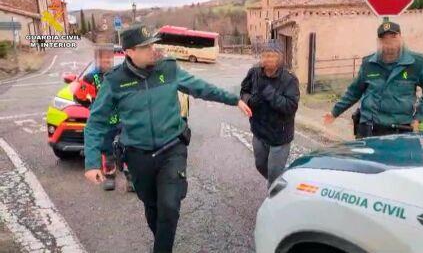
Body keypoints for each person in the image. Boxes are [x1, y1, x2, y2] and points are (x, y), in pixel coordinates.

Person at [83, 24, 252, 253]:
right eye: (146, 47)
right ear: (129, 52)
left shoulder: (168, 69)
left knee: (170, 206)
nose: (153, 49)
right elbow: (95, 122)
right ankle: (163, 243)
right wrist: (92, 162)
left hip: (172, 148)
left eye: (153, 44)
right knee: (152, 207)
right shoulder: (115, 81)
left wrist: (234, 100)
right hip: (137, 156)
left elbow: (201, 87)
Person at [323, 21, 423, 138]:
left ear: (401, 38)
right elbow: (354, 92)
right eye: (385, 39)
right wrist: (334, 112)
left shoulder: (416, 64)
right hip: (368, 129)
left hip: (400, 130)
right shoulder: (369, 64)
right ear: (379, 42)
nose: (389, 43)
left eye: (393, 38)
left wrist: (418, 118)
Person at [73, 44, 135, 192]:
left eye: (109, 57)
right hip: (105, 124)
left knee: (128, 150)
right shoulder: (90, 78)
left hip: (122, 122)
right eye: (103, 57)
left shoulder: (119, 75)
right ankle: (110, 178)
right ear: (98, 59)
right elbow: (78, 96)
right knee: (108, 152)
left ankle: (131, 179)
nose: (107, 60)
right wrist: (93, 107)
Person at [240, 41, 300, 187]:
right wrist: (250, 100)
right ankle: (282, 185)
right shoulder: (254, 72)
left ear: (279, 58)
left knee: (273, 176)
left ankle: (274, 199)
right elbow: (243, 91)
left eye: (273, 56)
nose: (269, 59)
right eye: (266, 55)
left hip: (279, 137)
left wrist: (268, 92)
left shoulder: (289, 79)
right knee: (260, 165)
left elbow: (290, 106)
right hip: (259, 132)